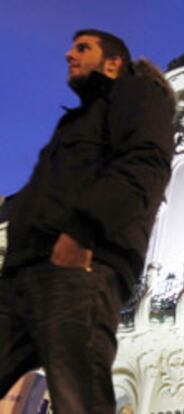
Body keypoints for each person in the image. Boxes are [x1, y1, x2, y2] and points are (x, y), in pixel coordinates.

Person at [0, 29, 175, 413]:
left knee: (79, 398)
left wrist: (84, 230)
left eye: (82, 48)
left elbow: (142, 166)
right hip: (24, 273)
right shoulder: (78, 120)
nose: (68, 54)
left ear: (112, 63)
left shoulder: (139, 95)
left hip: (80, 264)